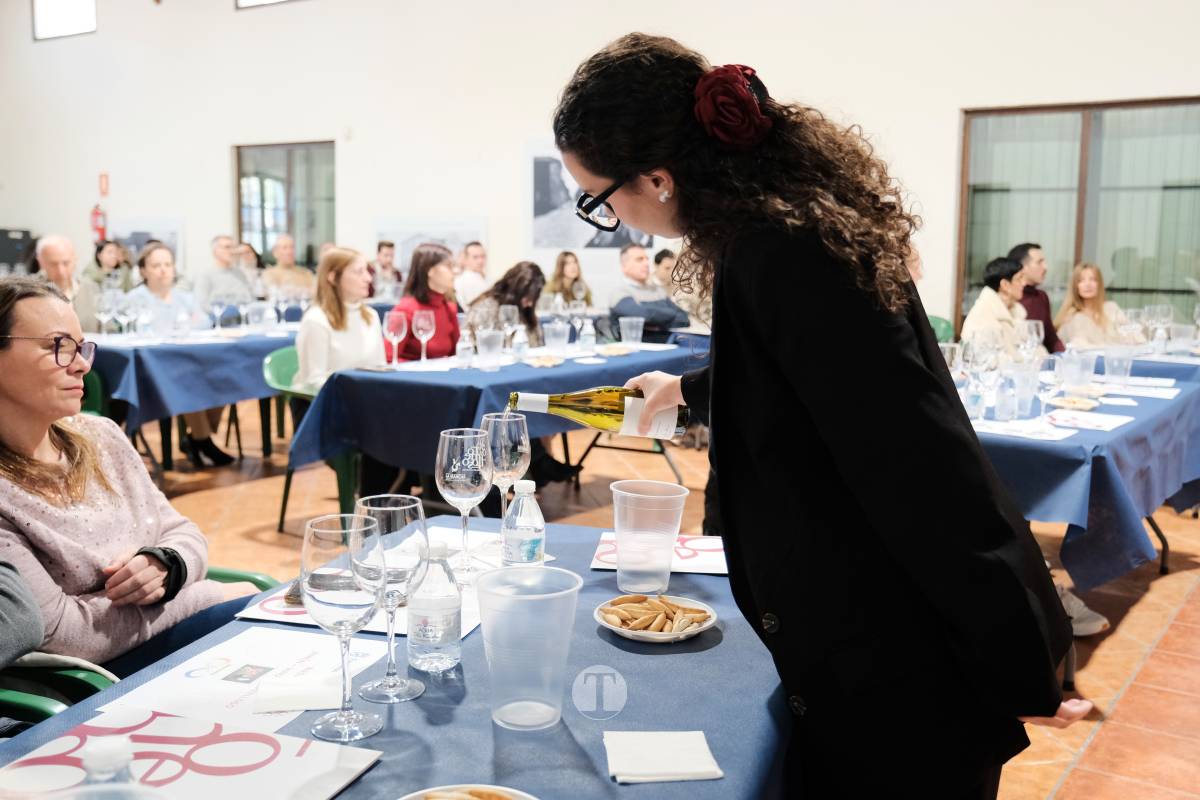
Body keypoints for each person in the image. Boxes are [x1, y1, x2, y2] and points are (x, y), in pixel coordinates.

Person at [554, 34, 1083, 797]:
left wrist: (1020, 653)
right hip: (862, 639)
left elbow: (920, 464)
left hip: (894, 661)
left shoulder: (783, 251)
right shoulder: (774, 232)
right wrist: (691, 388)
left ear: (659, 178)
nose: (615, 220)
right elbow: (805, 371)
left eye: (600, 200)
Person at [0, 277, 258, 678]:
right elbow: (63, 633)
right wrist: (204, 595)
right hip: (101, 680)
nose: (82, 363)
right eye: (58, 345)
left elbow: (183, 532)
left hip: (162, 640)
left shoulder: (101, 436)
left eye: (81, 346)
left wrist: (167, 564)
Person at [127, 244, 233, 469]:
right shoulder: (134, 299)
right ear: (144, 271)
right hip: (151, 370)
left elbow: (204, 322)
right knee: (190, 380)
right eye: (156, 265)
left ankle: (197, 437)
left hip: (187, 361)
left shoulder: (184, 297)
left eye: (168, 264)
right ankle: (202, 441)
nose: (163, 270)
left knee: (224, 376)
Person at [293, 247, 385, 392]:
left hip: (363, 398)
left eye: (367, 271)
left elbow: (380, 368)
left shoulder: (371, 316)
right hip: (326, 404)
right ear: (333, 277)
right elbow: (313, 382)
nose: (368, 278)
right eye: (358, 272)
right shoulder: (316, 320)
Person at [389, 243, 460, 362]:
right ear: (429, 270)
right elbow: (390, 357)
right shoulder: (405, 310)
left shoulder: (449, 307)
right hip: (411, 378)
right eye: (449, 266)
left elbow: (455, 354)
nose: (456, 271)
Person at [607, 243, 689, 340]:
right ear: (624, 266)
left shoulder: (658, 291)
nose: (646, 264)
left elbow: (684, 318)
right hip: (637, 350)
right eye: (639, 259)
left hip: (667, 345)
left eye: (646, 259)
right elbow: (644, 315)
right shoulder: (620, 292)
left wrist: (653, 324)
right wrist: (670, 316)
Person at [1054, 263, 1146, 349]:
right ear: (1076, 286)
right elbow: (1081, 348)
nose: (1088, 284)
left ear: (1099, 284)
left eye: (1093, 279)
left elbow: (1137, 337)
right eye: (1081, 280)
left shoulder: (1111, 308)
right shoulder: (1072, 317)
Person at [960, 257, 1036, 359]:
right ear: (1005, 285)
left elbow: (1032, 351)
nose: (1024, 283)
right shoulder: (982, 315)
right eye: (1019, 278)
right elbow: (988, 361)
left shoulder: (1015, 311)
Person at [466, 261, 547, 346]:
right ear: (514, 290)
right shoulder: (486, 308)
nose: (530, 304)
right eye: (527, 298)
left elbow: (537, 344)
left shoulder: (525, 310)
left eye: (533, 299)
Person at [32, 236, 100, 334]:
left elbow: (108, 329)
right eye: (53, 264)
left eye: (66, 263)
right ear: (41, 262)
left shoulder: (91, 288)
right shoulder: (29, 290)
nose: (61, 271)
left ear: (75, 259)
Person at [1010, 243, 1064, 353]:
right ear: (1022, 267)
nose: (1045, 267)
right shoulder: (1008, 297)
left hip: (1039, 362)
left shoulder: (1041, 296)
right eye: (1039, 262)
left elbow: (1051, 339)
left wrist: (1065, 358)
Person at [192, 235, 253, 308]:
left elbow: (250, 298)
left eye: (234, 247)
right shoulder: (205, 274)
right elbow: (201, 303)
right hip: (216, 317)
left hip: (241, 316)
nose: (232, 251)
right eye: (227, 247)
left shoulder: (239, 273)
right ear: (215, 251)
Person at [453, 241, 489, 307]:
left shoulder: (477, 276)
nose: (480, 261)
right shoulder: (468, 279)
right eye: (475, 257)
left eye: (483, 256)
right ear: (465, 258)